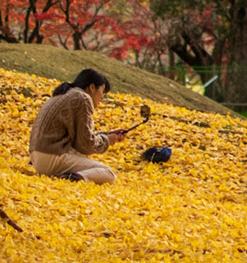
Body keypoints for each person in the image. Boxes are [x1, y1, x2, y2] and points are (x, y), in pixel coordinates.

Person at [29, 69, 160, 183]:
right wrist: (108, 140)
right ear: (92, 87)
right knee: (108, 173)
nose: (102, 97)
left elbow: (79, 139)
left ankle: (70, 175)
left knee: (89, 162)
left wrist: (108, 135)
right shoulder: (83, 98)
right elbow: (85, 145)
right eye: (102, 90)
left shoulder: (66, 94)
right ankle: (71, 178)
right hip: (51, 157)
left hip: (38, 157)